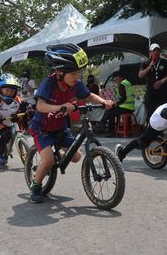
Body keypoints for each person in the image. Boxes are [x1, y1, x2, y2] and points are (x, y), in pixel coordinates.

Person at [28, 44, 114, 203]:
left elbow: (89, 96)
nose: (77, 76)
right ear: (59, 72)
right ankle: (36, 184)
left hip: (60, 127)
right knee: (47, 161)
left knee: (76, 157)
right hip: (42, 129)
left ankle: (53, 158)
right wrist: (60, 107)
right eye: (73, 72)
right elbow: (40, 106)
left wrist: (104, 101)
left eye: (79, 72)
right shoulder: (49, 84)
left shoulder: (76, 85)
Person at [0, 73, 26, 165]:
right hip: (0, 122)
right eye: (7, 90)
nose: (10, 93)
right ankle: (0, 155)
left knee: (18, 129)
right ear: (0, 90)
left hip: (12, 120)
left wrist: (30, 109)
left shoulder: (18, 100)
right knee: (6, 134)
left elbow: (26, 106)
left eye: (12, 91)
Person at [138, 43, 167, 125]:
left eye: (158, 50)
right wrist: (149, 67)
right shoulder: (146, 63)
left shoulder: (164, 62)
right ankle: (150, 127)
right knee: (151, 110)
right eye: (154, 50)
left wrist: (162, 81)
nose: (156, 52)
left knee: (162, 110)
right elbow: (140, 75)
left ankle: (163, 128)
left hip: (163, 91)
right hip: (151, 92)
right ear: (150, 52)